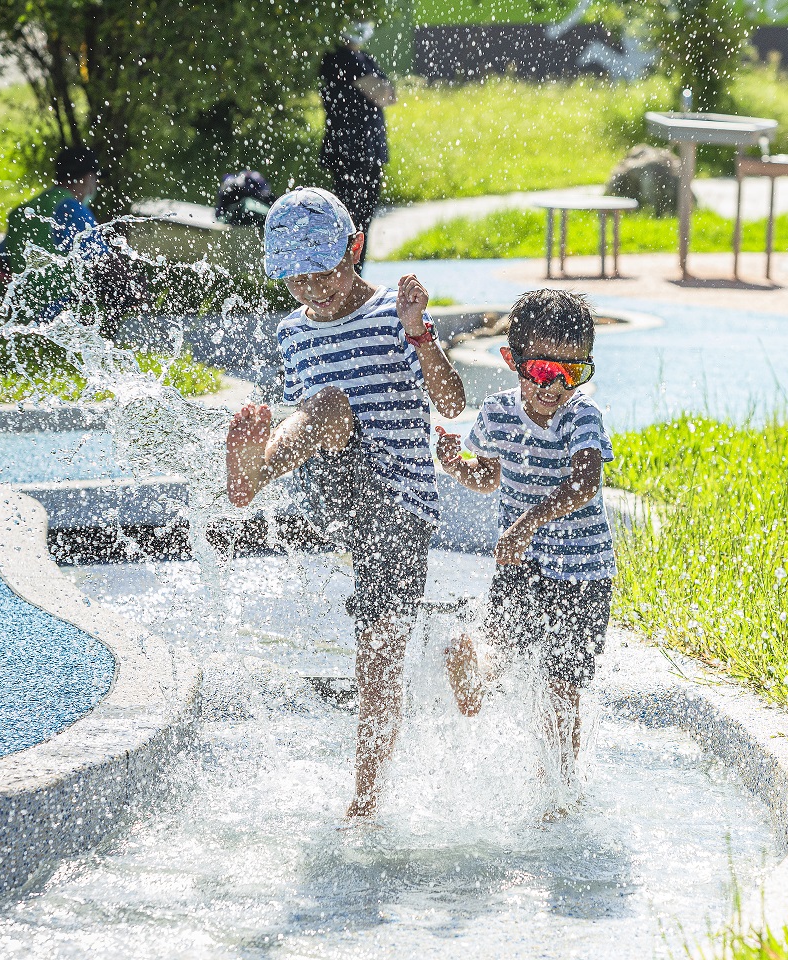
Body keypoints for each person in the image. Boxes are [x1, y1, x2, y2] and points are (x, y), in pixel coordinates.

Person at [224, 186, 466, 818]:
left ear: (355, 249)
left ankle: (366, 798)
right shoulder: (292, 334)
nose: (313, 290)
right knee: (326, 405)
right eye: (296, 280)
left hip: (401, 505)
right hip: (336, 486)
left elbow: (451, 404)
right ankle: (254, 475)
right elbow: (309, 411)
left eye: (324, 272)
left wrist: (421, 335)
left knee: (379, 654)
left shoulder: (391, 310)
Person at [435, 289, 615, 792]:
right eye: (542, 371)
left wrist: (529, 521)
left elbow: (585, 484)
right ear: (512, 361)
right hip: (522, 563)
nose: (556, 385)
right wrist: (457, 466)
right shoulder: (496, 413)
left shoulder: (582, 417)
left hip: (582, 574)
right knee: (498, 647)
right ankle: (473, 665)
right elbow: (490, 477)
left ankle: (554, 787)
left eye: (572, 372)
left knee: (563, 686)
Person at [0, 145, 140, 332]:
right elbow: (104, 262)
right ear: (87, 178)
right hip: (61, 315)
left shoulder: (23, 211)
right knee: (119, 283)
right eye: (95, 179)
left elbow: (2, 259)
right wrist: (134, 288)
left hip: (23, 314)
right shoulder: (73, 209)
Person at [319, 22, 397, 271]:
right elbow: (381, 93)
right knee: (349, 217)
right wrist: (381, 88)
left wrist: (381, 89)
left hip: (369, 152)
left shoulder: (364, 58)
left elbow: (390, 95)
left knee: (364, 217)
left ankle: (355, 273)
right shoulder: (339, 57)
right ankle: (343, 273)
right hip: (349, 150)